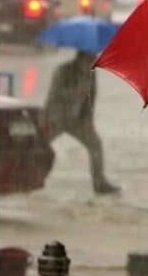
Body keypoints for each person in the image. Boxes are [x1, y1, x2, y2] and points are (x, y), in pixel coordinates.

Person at [44, 50, 120, 194]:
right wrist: (76, 90)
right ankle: (26, 177)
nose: (92, 63)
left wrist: (88, 119)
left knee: (95, 145)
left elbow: (91, 98)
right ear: (81, 58)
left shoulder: (92, 73)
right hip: (57, 117)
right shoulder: (63, 70)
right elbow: (54, 94)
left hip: (78, 119)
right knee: (40, 144)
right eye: (89, 60)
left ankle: (99, 183)